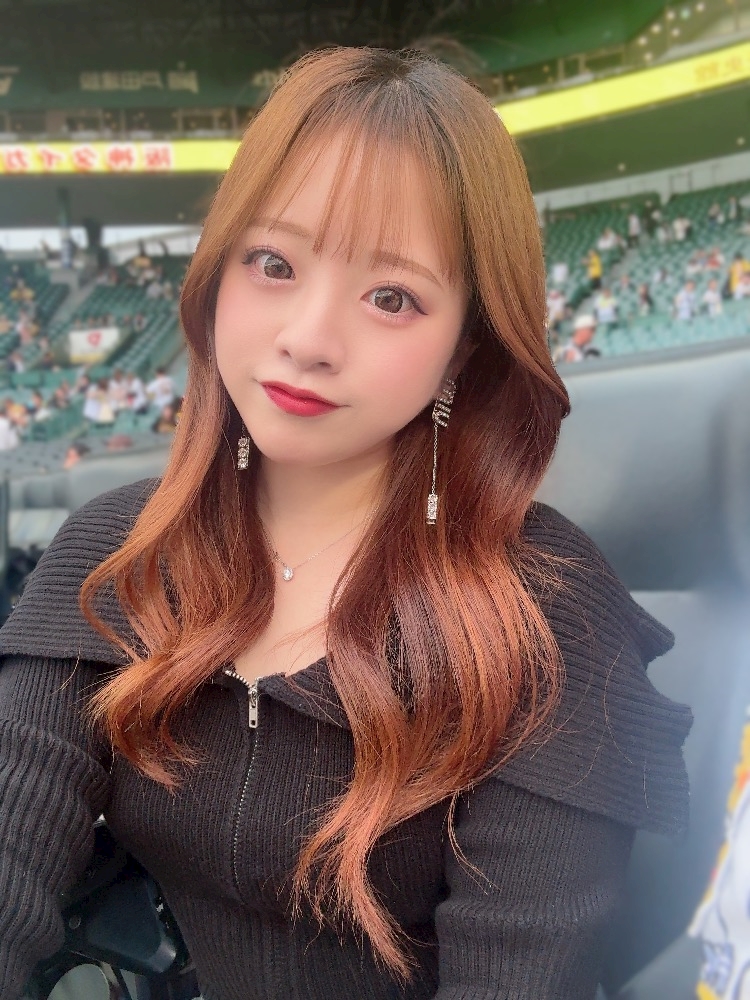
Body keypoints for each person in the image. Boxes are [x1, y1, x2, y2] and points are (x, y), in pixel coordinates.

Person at [0, 47, 691, 1000]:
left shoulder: (545, 614)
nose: (309, 339)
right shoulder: (120, 553)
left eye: (391, 297)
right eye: (273, 263)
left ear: (465, 346)